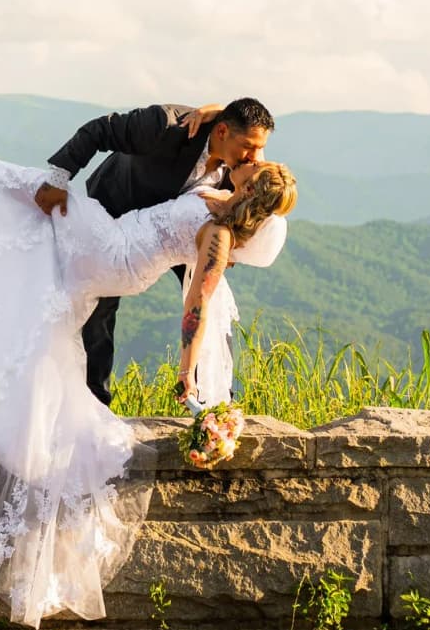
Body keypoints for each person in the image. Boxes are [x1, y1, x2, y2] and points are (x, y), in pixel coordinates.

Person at [0, 113, 295, 629]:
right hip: (113, 246)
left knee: (35, 190)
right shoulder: (218, 193)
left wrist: (187, 370)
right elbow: (225, 139)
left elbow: (196, 304)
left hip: (112, 254)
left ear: (250, 193)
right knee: (35, 231)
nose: (253, 160)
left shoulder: (218, 233)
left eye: (256, 167)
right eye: (252, 152)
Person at [33, 98, 276, 405]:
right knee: (99, 309)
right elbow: (100, 129)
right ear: (223, 131)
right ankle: (94, 404)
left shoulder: (241, 165)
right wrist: (58, 179)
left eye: (260, 148)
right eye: (249, 147)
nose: (256, 157)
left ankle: (214, 403)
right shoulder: (166, 126)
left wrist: (230, 248)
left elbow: (253, 202)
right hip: (117, 215)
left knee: (211, 303)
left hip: (181, 232)